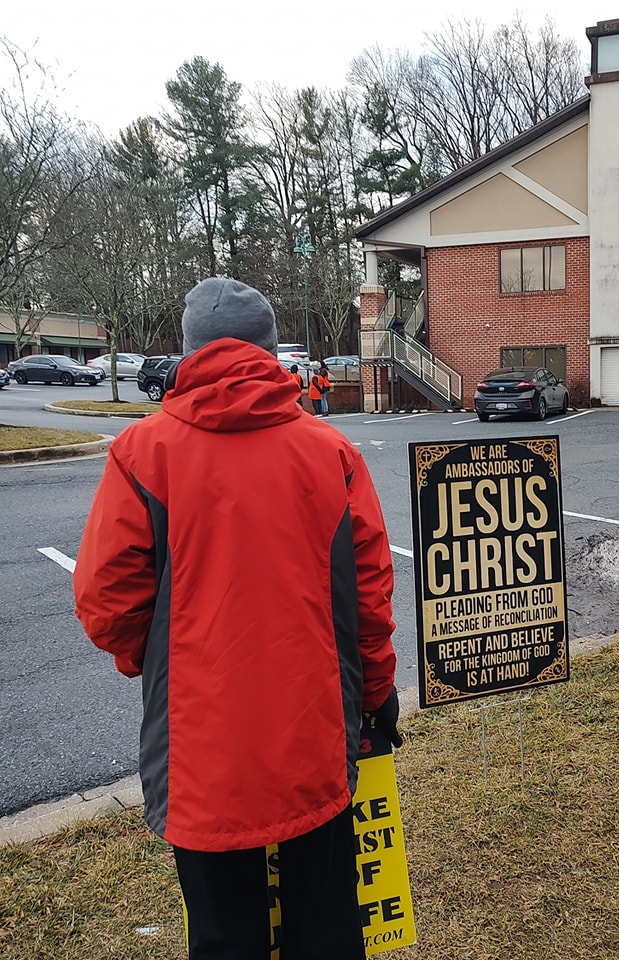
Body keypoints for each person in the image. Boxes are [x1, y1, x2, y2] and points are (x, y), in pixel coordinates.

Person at [73, 276, 401, 960]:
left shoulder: (143, 452)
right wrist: (375, 692)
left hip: (200, 743)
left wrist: (151, 659)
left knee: (224, 936)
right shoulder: (330, 454)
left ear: (189, 350)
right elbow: (368, 598)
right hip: (313, 732)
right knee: (325, 928)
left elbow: (107, 599)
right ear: (270, 351)